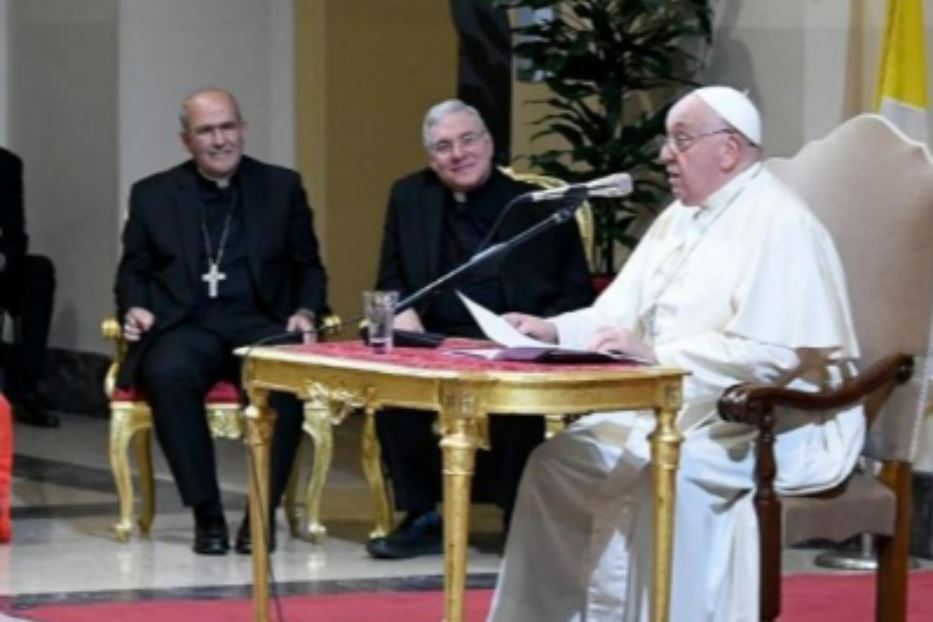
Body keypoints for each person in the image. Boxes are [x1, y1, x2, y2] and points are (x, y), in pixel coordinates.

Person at [487, 86, 864, 621]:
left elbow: (775, 353)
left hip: (767, 421)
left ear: (729, 150)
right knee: (557, 463)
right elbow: (617, 317)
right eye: (668, 141)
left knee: (664, 473)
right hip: (679, 407)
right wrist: (550, 331)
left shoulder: (780, 220)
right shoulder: (679, 218)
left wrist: (658, 354)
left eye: (680, 140)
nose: (665, 154)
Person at [367, 99, 594, 559]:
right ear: (431, 158)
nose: (458, 154)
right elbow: (390, 279)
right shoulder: (408, 197)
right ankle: (422, 515)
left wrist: (542, 327)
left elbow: (577, 296)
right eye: (444, 146)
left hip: (511, 339)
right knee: (392, 391)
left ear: (489, 144)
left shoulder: (538, 209)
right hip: (435, 337)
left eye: (468, 140)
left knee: (516, 400)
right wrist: (402, 312)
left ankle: (519, 518)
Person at [114, 88, 329, 556]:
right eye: (206, 131)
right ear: (186, 140)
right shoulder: (152, 194)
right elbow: (133, 270)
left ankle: (260, 515)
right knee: (167, 372)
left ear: (243, 129)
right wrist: (135, 307)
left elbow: (308, 266)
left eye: (227, 127)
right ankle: (206, 514)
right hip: (185, 323)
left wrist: (306, 311)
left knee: (284, 377)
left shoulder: (281, 186)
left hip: (260, 320)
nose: (219, 140)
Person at [0, 147, 58, 428]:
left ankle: (25, 389)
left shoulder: (6, 164)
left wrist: (3, 256)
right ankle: (11, 364)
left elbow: (16, 235)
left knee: (38, 271)